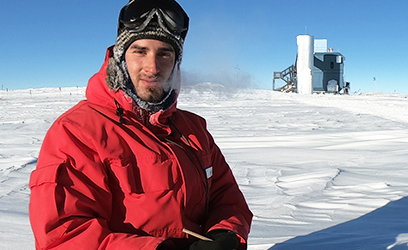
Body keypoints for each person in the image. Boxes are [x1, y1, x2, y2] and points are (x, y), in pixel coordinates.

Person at [28, 1, 253, 250]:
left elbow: (226, 195)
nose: (152, 67)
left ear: (176, 63)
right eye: (140, 51)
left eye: (165, 53)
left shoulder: (194, 129)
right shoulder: (77, 131)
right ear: (120, 58)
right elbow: (64, 237)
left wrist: (226, 232)